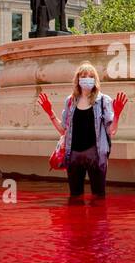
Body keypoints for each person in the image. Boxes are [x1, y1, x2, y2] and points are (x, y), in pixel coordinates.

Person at [38, 63, 127, 199]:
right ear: (78, 79)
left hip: (95, 156)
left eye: (91, 76)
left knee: (98, 197)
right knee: (75, 197)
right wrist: (50, 112)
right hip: (73, 156)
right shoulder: (70, 101)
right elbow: (63, 130)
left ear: (95, 80)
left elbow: (111, 131)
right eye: (84, 76)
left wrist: (117, 116)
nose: (87, 78)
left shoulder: (104, 101)